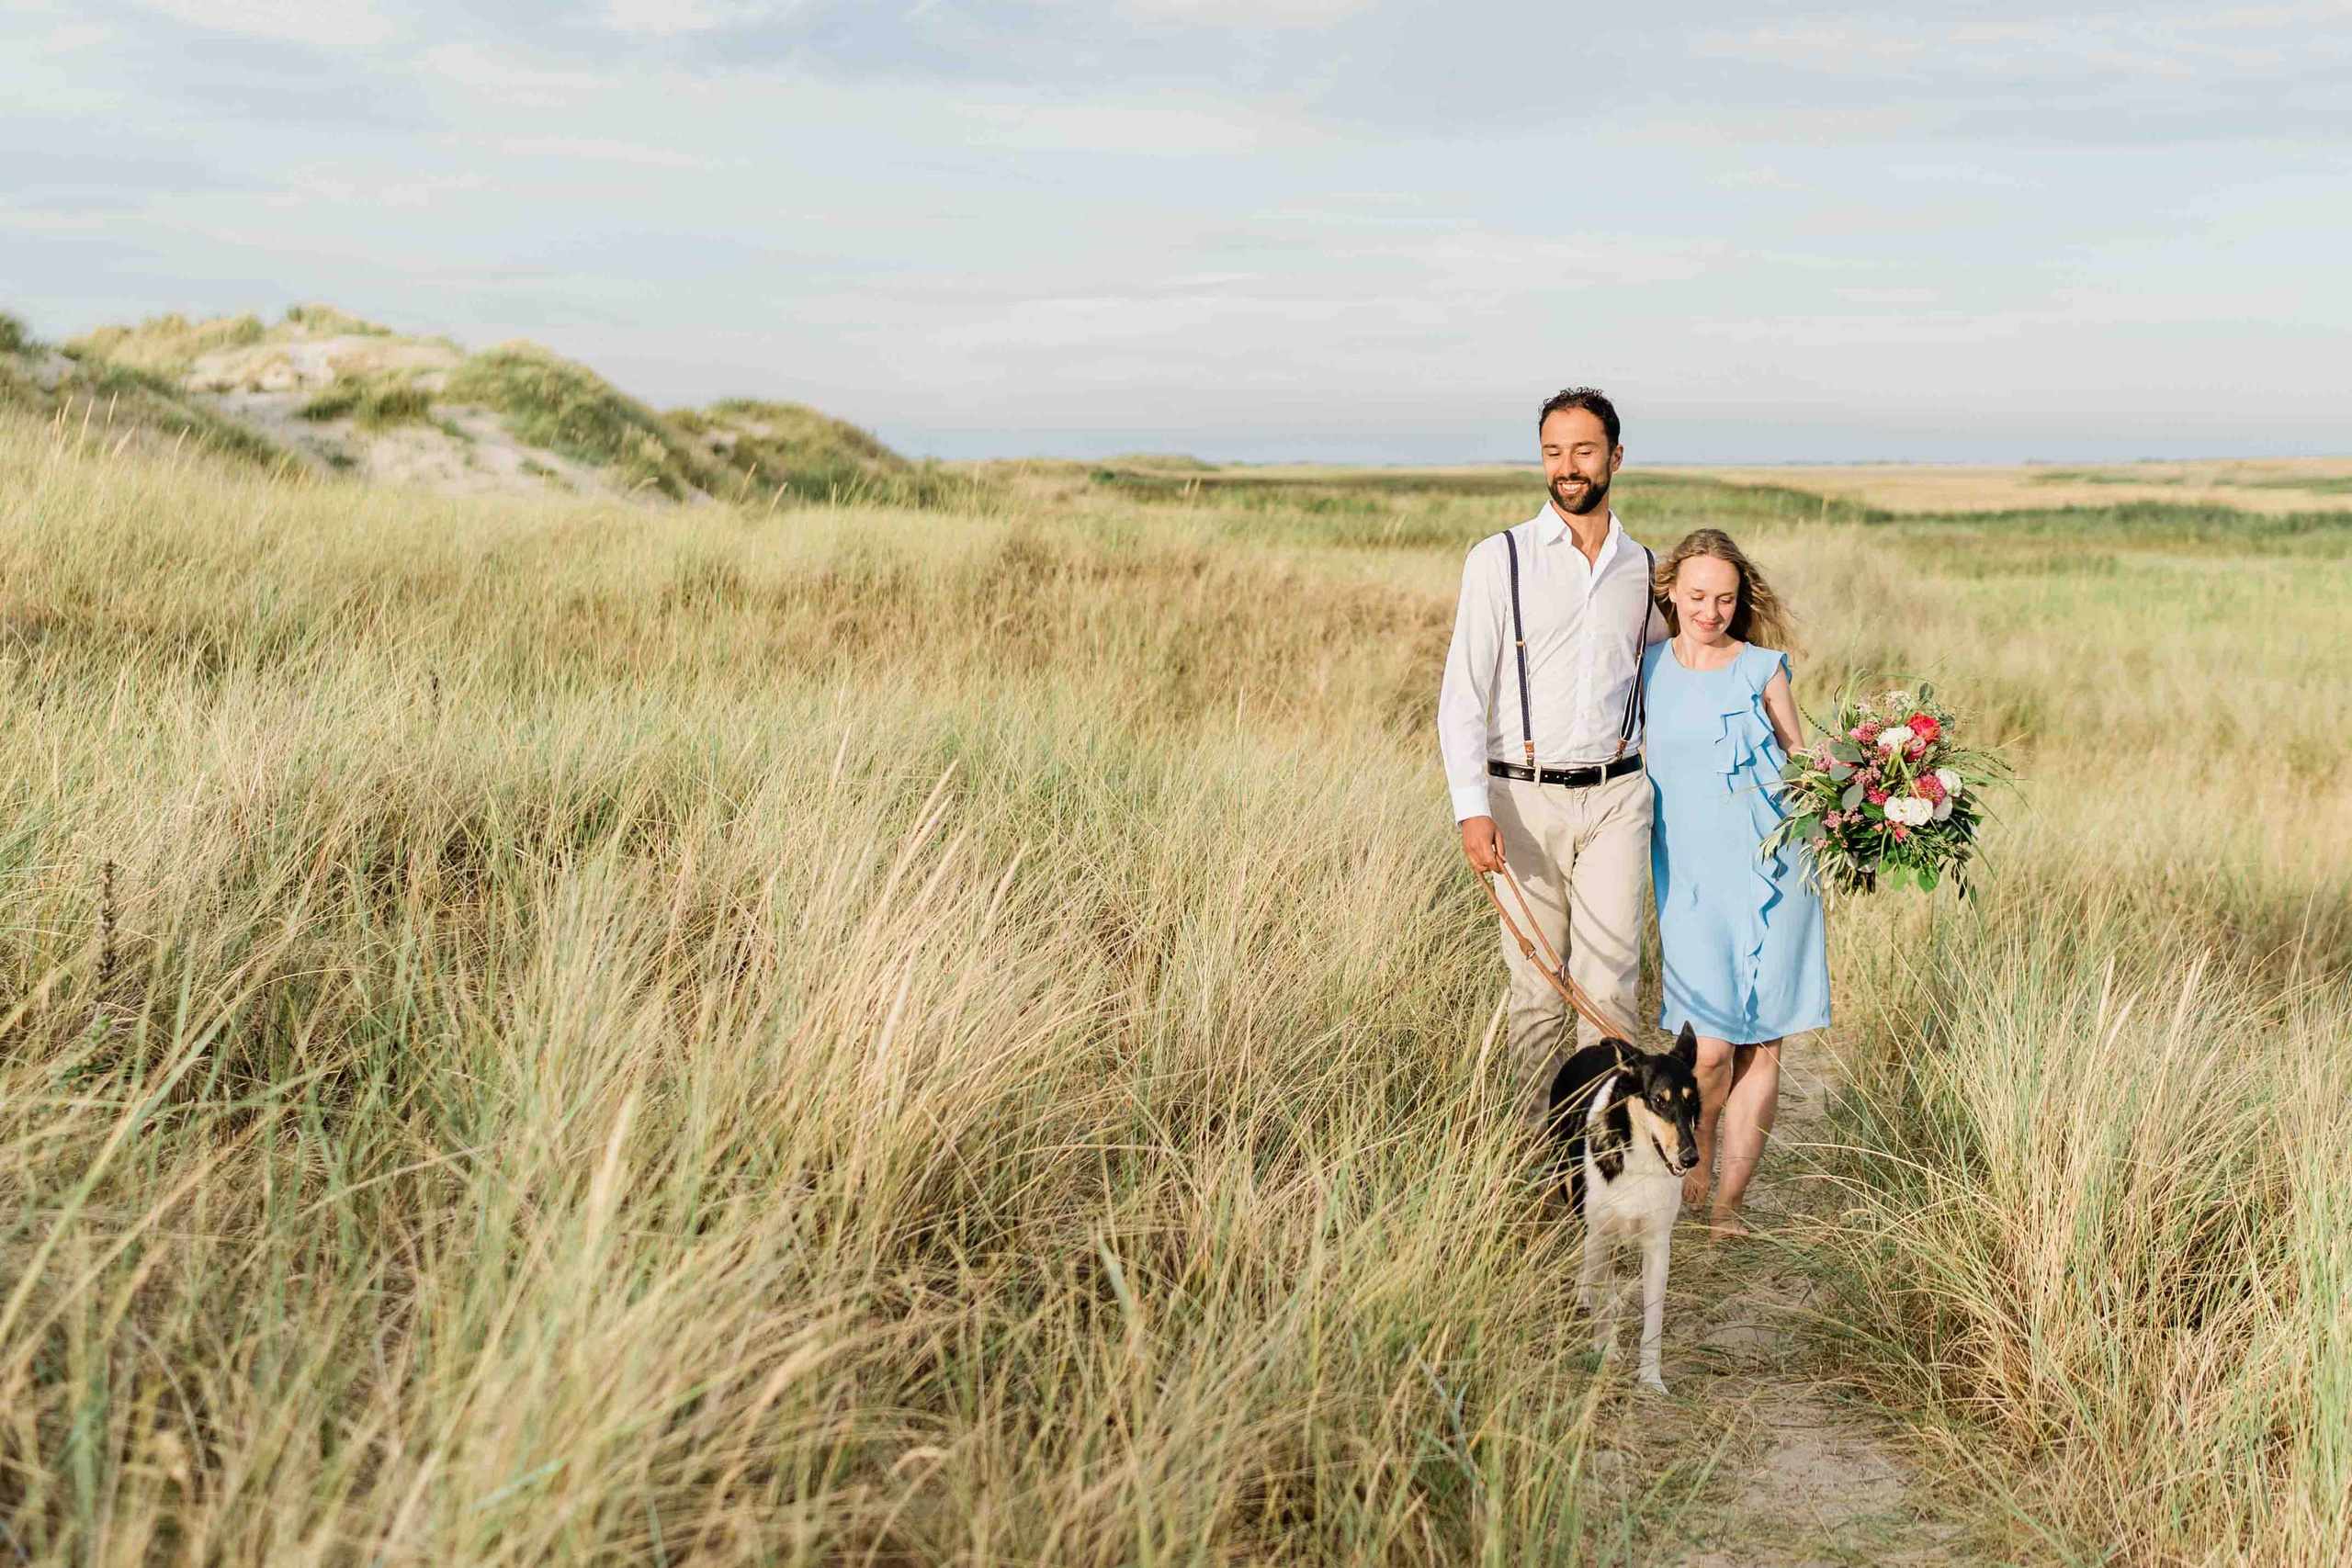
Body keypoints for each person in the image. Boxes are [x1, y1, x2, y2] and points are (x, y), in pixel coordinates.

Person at [1440, 387, 1667, 1135]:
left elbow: (1696, 643)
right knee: (1538, 989)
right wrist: (1471, 807)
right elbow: (1463, 696)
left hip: (1617, 799)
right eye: (1553, 451)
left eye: (1584, 451)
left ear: (1616, 457)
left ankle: (1607, 1158)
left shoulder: (1643, 568)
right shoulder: (1497, 559)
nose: (1567, 467)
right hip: (1520, 801)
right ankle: (1537, 1160)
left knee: (1612, 990)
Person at [1642, 529, 1829, 1234]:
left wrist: (1872, 803)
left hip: (1777, 872)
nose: (1710, 611)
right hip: (1689, 878)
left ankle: (1728, 1206)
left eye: (1724, 598)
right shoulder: (1648, 669)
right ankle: (1700, 1144)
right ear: (1671, 592)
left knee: (1763, 1041)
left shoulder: (1762, 668)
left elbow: (1801, 759)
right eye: (1696, 596)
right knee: (1711, 1046)